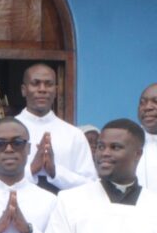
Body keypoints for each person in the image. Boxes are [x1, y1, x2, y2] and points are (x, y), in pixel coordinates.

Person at [14, 63, 96, 193]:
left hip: (62, 210)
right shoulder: (5, 132)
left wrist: (55, 172)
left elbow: (90, 185)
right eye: (35, 83)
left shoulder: (74, 134)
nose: (42, 89)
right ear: (24, 90)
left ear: (56, 90)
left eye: (49, 84)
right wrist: (31, 170)